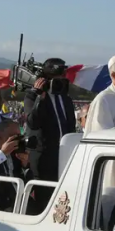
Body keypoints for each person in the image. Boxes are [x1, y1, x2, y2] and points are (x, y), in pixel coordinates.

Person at [23, 58, 77, 213]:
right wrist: (40, 96)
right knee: (45, 202)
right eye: (55, 80)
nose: (59, 83)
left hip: (64, 157)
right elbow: (33, 122)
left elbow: (70, 127)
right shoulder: (32, 96)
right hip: (43, 160)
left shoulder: (65, 99)